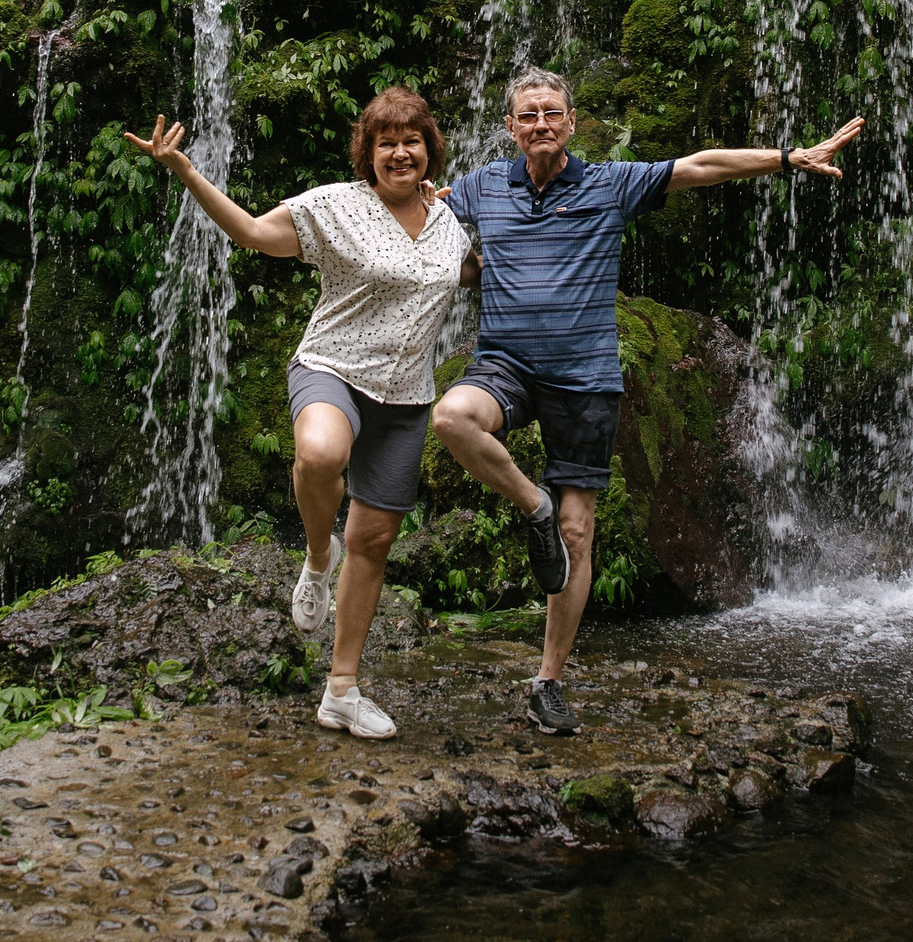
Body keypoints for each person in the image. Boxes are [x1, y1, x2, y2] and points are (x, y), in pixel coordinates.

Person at [433, 66, 863, 736]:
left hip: (586, 379)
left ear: (571, 122)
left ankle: (548, 679)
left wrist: (786, 157)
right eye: (529, 115)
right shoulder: (481, 187)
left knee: (578, 532)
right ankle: (531, 503)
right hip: (505, 366)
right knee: (452, 417)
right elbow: (415, 225)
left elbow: (699, 167)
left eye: (552, 112)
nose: (541, 124)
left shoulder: (610, 183)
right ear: (510, 127)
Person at [128, 85, 476, 739]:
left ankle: (341, 690)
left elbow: (472, 272)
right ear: (368, 154)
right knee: (320, 454)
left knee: (372, 543)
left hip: (404, 396)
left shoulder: (449, 221)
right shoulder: (336, 207)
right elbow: (254, 234)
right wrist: (186, 171)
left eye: (412, 141)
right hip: (332, 368)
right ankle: (317, 556)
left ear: (430, 149)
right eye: (386, 144)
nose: (400, 153)